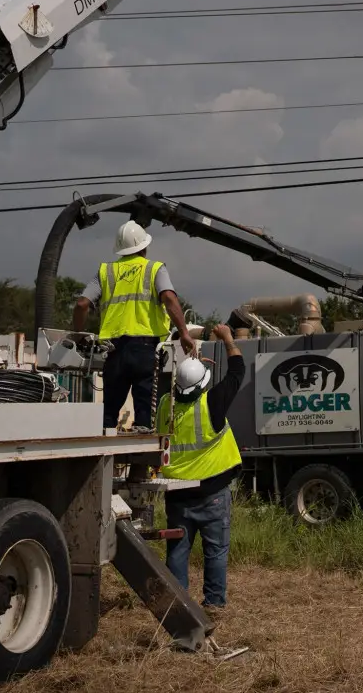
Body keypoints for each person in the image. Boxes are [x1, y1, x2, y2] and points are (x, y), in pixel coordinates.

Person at [73, 220, 195, 429]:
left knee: (108, 412)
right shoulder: (154, 269)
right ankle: (141, 455)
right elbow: (169, 297)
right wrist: (184, 332)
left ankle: (105, 448)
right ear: (144, 246)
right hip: (145, 349)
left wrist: (77, 336)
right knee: (144, 411)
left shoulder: (105, 271)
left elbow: (82, 304)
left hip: (114, 350)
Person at [156, 323, 245, 612]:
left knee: (177, 553)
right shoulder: (212, 402)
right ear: (203, 383)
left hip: (178, 494)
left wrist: (185, 359)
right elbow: (236, 372)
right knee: (216, 551)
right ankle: (214, 605)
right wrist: (228, 339)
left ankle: (178, 608)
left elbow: (169, 379)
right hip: (213, 492)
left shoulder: (166, 405)